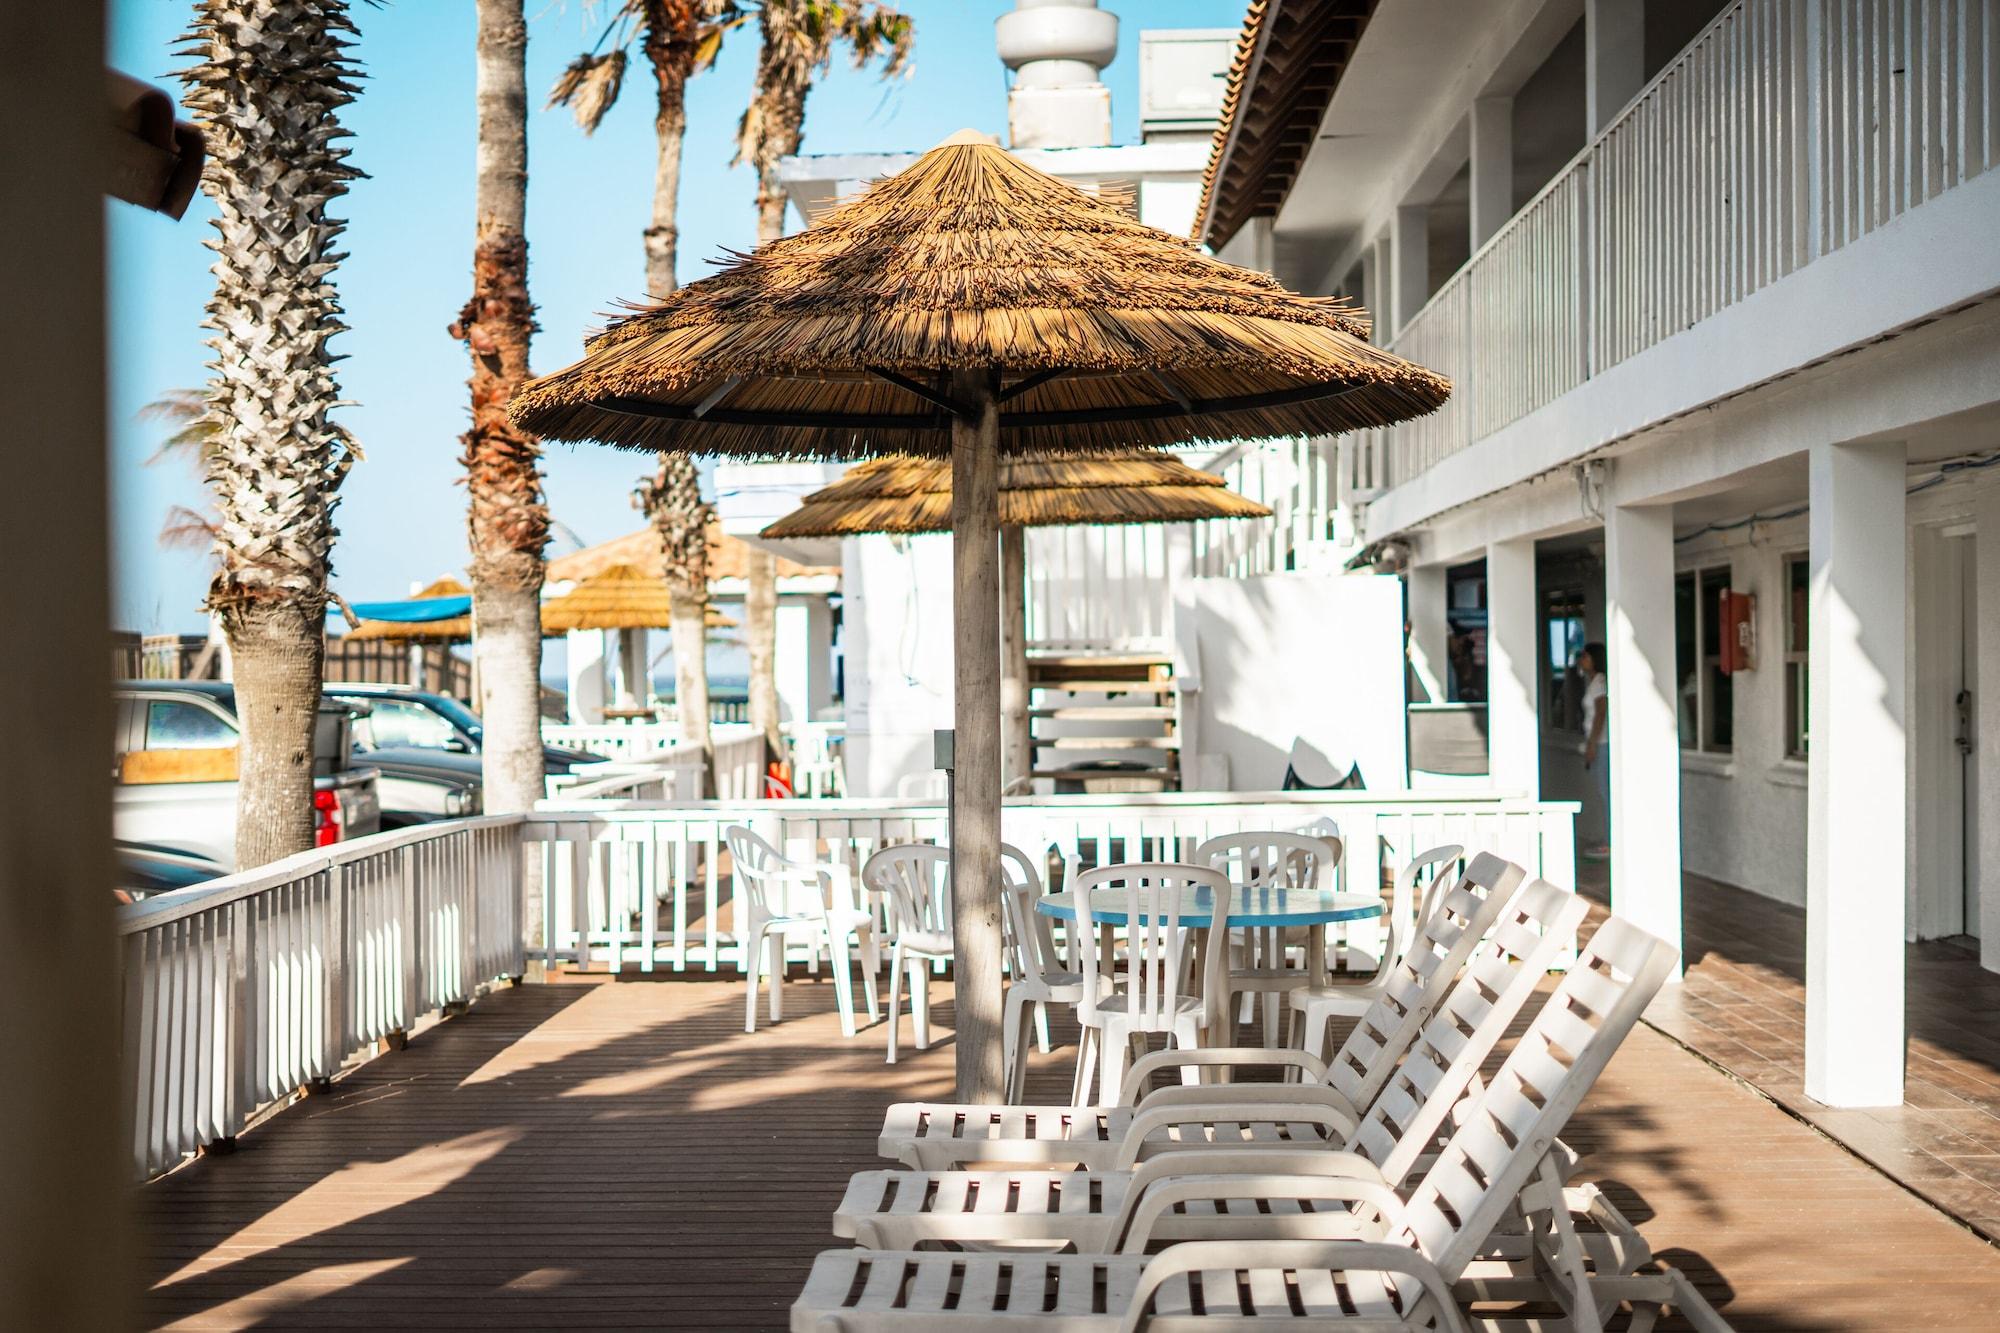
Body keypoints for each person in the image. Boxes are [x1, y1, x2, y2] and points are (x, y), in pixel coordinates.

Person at [1577, 643, 1610, 860]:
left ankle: (1611, 842)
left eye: (1585, 656)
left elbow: (1600, 713)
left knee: (1606, 792)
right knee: (1603, 791)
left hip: (1603, 743)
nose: (1581, 659)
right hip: (1599, 742)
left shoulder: (1600, 682)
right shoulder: (1593, 682)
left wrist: (1592, 744)